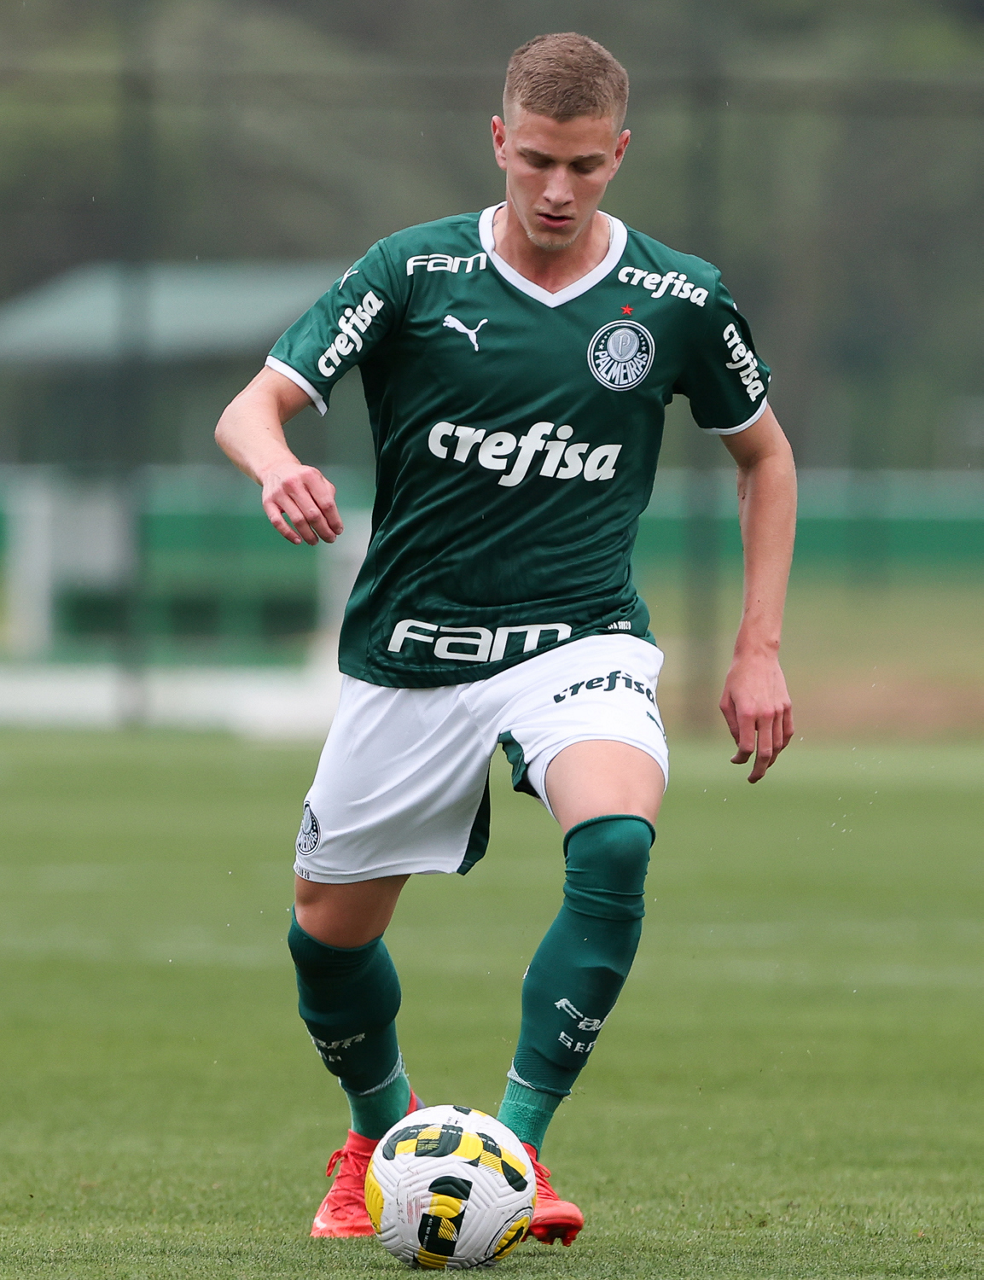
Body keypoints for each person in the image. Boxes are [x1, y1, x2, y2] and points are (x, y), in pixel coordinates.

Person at [215, 31, 795, 1251]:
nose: (558, 188)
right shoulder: (412, 271)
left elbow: (766, 456)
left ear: (619, 153)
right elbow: (253, 406)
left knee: (617, 838)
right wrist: (275, 466)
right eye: (536, 159)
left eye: (585, 164)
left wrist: (759, 645)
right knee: (326, 937)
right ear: (498, 141)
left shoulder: (679, 299)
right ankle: (377, 1136)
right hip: (414, 648)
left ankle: (514, 1152)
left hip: (580, 637)